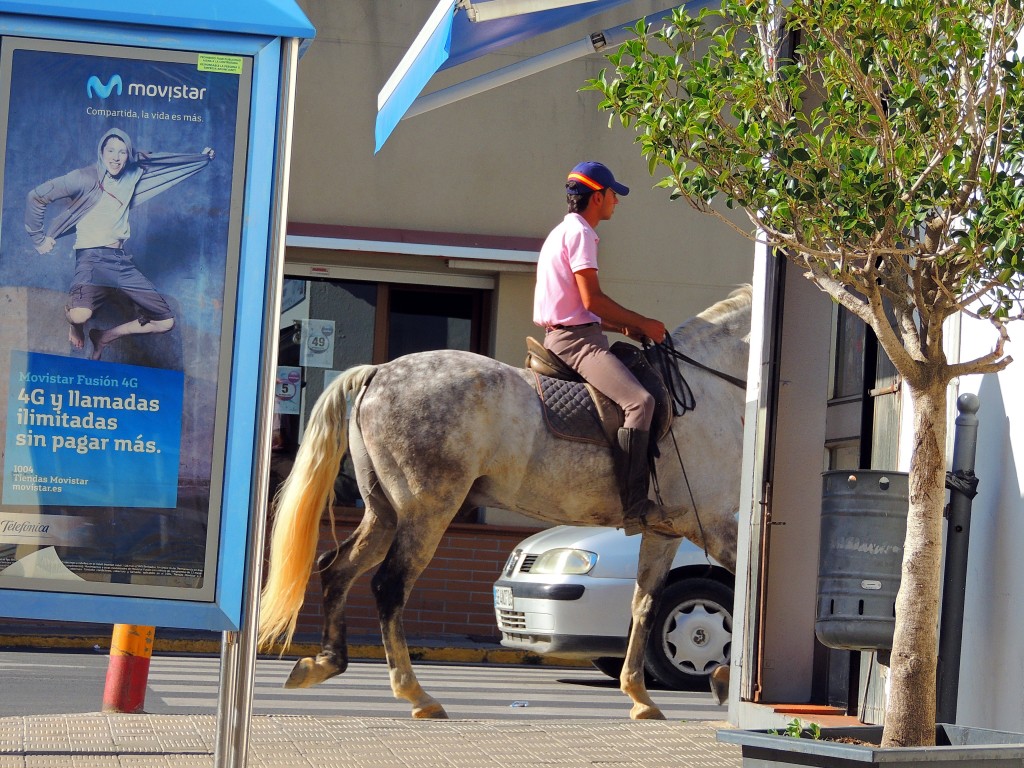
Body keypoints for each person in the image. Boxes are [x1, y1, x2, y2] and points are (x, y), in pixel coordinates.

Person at [533, 160, 678, 537]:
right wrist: (644, 322)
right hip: (575, 344)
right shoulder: (582, 234)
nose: (617, 201)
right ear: (597, 197)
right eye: (614, 194)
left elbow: (579, 307)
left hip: (572, 332)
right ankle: (634, 506)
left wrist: (624, 326)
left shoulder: (561, 231)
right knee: (640, 403)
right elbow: (592, 299)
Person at [25, 127, 215, 360]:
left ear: (129, 155)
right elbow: (36, 196)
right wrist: (38, 237)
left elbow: (165, 161)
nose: (116, 157)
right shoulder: (83, 177)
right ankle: (75, 325)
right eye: (111, 151)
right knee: (80, 315)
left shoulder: (133, 172)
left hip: (120, 261)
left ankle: (104, 336)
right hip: (91, 259)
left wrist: (201, 158)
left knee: (165, 322)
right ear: (101, 152)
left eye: (122, 152)